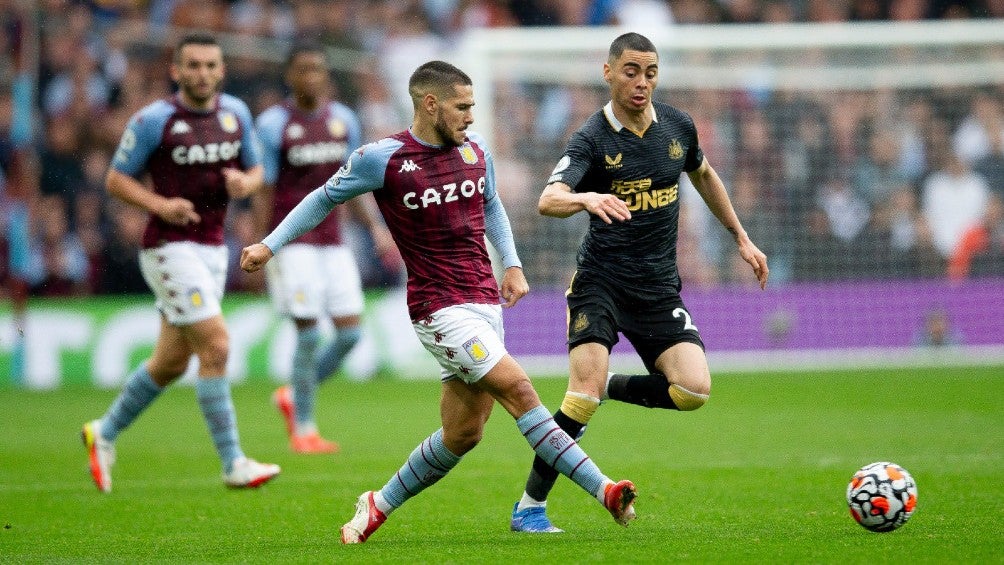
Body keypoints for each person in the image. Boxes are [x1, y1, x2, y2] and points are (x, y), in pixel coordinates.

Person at [240, 60, 637, 544]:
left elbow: (490, 205)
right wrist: (269, 244)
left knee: (463, 432)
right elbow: (322, 198)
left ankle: (378, 503)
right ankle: (605, 490)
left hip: (484, 301)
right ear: (431, 104)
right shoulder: (381, 158)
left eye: (472, 106)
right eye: (463, 106)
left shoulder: (476, 152)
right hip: (437, 307)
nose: (471, 116)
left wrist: (510, 264)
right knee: (520, 390)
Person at [509, 32, 769, 533]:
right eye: (631, 71)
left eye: (650, 72)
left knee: (693, 390)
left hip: (656, 288)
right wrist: (586, 199)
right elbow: (548, 198)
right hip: (600, 284)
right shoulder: (592, 138)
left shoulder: (678, 126)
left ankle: (607, 385)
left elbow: (705, 174)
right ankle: (530, 507)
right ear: (608, 73)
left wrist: (741, 237)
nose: (641, 82)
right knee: (579, 397)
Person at [81, 33, 280, 493]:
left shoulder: (236, 114)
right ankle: (233, 462)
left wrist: (243, 186)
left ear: (222, 70)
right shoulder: (155, 120)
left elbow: (257, 172)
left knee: (170, 363)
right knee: (217, 347)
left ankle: (103, 432)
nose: (202, 73)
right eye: (192, 65)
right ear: (176, 71)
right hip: (168, 247)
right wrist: (159, 204)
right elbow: (115, 179)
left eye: (210, 65)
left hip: (214, 248)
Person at [253, 40, 395, 454]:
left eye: (318, 69)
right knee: (310, 334)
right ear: (290, 76)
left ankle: (295, 394)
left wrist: (376, 229)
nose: (312, 76)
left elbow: (352, 184)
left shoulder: (343, 120)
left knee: (350, 335)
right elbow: (265, 190)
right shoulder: (273, 124)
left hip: (334, 241)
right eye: (304, 69)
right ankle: (305, 427)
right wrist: (266, 245)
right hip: (292, 241)